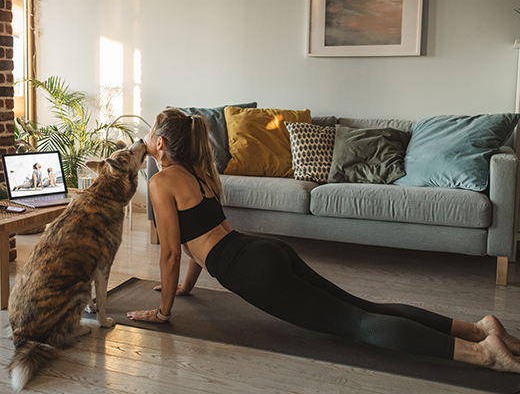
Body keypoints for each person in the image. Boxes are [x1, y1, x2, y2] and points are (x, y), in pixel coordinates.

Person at [127, 108, 520, 373]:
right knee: (365, 307)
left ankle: (483, 354)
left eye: (148, 135)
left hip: (249, 270)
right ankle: (478, 327)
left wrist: (163, 312)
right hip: (261, 250)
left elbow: (172, 251)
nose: (144, 139)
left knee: (356, 324)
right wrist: (184, 288)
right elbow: (201, 238)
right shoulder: (197, 171)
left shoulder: (161, 181)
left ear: (159, 143)